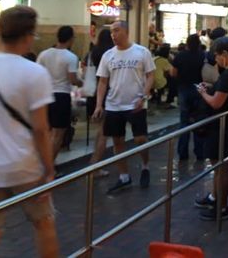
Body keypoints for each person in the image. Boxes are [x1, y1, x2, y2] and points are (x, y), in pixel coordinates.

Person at [0, 6, 59, 258]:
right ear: (28, 35)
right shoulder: (34, 73)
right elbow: (41, 129)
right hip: (25, 168)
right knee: (43, 225)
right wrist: (49, 168)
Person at [93, 21, 156, 193]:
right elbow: (103, 82)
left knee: (140, 139)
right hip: (114, 105)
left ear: (126, 31)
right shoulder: (108, 56)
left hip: (136, 103)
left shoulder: (142, 52)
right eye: (111, 31)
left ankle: (145, 166)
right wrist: (99, 104)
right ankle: (124, 176)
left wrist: (143, 96)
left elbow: (151, 76)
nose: (113, 34)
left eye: (117, 30)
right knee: (118, 141)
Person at [195, 37, 228, 221]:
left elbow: (217, 103)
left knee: (220, 166)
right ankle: (215, 198)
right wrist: (212, 87)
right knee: (220, 165)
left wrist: (203, 93)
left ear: (225, 54)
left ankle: (222, 206)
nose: (216, 60)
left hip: (220, 125)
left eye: (217, 56)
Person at [37, 25, 82, 161]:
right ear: (71, 39)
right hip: (61, 96)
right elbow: (73, 80)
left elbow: (37, 74)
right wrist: (82, 83)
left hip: (45, 96)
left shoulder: (44, 54)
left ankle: (43, 164)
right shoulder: (71, 57)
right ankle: (49, 167)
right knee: (58, 134)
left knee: (48, 132)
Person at [171, 34, 205, 161]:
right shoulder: (203, 56)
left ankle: (182, 153)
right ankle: (200, 153)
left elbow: (173, 73)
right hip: (199, 90)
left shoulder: (180, 56)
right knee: (199, 121)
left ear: (187, 43)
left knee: (184, 122)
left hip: (184, 90)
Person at [86, 28, 113, 173]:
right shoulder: (111, 54)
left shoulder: (93, 52)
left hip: (94, 93)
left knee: (100, 131)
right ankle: (94, 166)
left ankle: (94, 162)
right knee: (104, 132)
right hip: (107, 94)